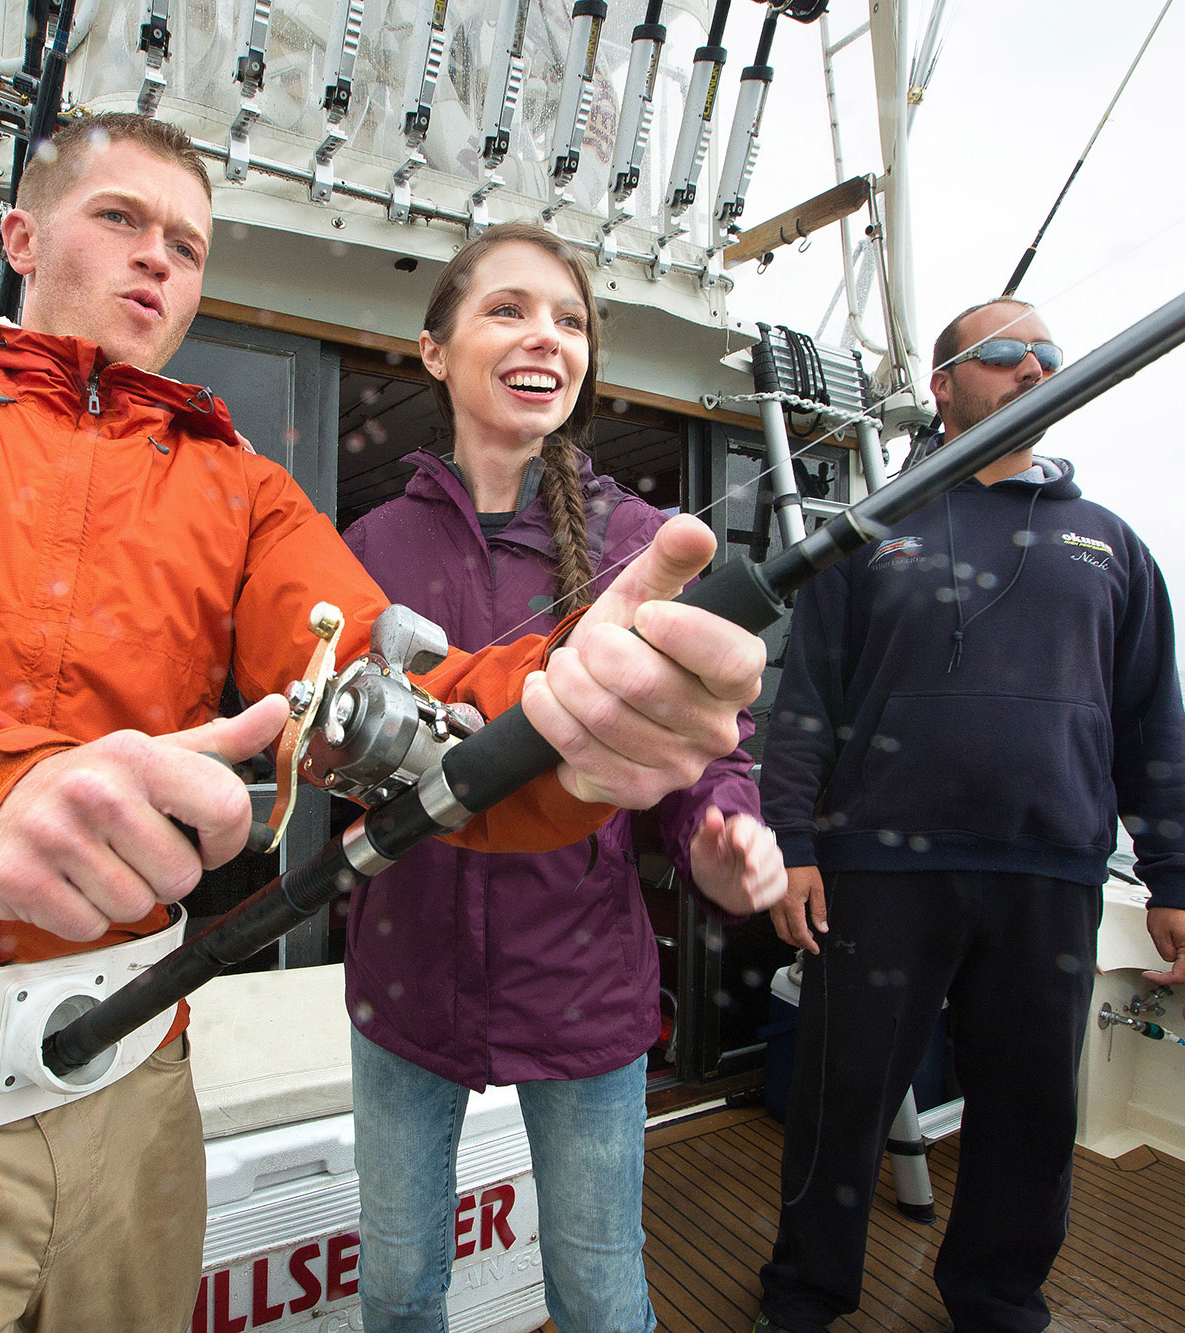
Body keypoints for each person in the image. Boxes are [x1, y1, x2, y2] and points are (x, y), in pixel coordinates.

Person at [0, 113, 767, 1332]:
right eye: (120, 220)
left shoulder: (242, 489)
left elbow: (382, 699)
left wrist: (561, 725)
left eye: (187, 243)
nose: (157, 258)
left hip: (134, 1114)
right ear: (18, 234)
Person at [339, 222, 790, 1333]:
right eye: (506, 309)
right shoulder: (367, 543)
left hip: (584, 982)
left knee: (596, 1291)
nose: (546, 336)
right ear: (434, 350)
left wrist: (722, 829)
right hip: (403, 978)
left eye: (570, 319)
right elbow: (325, 736)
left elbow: (700, 750)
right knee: (397, 1288)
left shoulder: (640, 544)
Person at [751, 299, 1185, 1333]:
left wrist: (1177, 883)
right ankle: (802, 1295)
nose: (1033, 366)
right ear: (943, 384)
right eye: (1005, 351)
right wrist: (788, 846)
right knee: (840, 1105)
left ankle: (997, 1299)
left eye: (1048, 354)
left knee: (1029, 1114)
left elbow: (1151, 724)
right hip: (875, 869)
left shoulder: (1112, 547)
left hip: (1048, 876)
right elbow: (806, 709)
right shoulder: (869, 533)